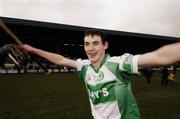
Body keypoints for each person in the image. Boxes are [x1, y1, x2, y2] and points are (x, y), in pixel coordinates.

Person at [20, 29, 180, 119]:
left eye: (96, 43)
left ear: (105, 45)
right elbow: (60, 60)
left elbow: (159, 57)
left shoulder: (118, 63)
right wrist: (33, 49)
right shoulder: (84, 66)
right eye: (87, 44)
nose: (90, 49)